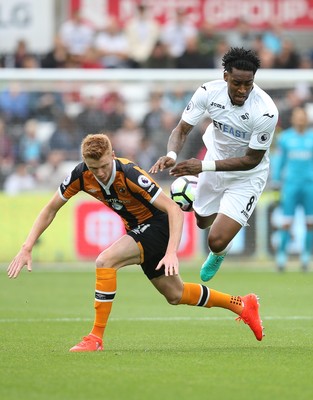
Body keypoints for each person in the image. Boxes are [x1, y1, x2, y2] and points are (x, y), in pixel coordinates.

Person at [7, 133, 264, 352]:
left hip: (159, 225)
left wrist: (172, 252)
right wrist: (27, 246)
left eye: (104, 166)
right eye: (93, 168)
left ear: (113, 155)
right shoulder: (80, 174)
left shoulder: (130, 173)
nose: (99, 173)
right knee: (176, 294)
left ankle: (95, 337)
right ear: (85, 162)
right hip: (139, 229)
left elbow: (174, 211)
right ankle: (242, 304)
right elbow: (51, 208)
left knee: (105, 261)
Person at [150, 47, 279, 282]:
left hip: (247, 176)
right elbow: (182, 129)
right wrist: (171, 153)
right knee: (201, 222)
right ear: (226, 76)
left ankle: (220, 251)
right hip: (213, 161)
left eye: (248, 84)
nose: (242, 90)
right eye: (237, 83)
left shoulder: (266, 111)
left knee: (216, 240)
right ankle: (222, 214)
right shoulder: (208, 92)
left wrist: (202, 167)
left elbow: (252, 160)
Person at [271, 107, 313, 271]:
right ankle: (281, 257)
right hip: (290, 185)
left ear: (306, 119)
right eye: (298, 117)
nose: (300, 120)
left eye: (303, 117)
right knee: (287, 222)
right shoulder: (285, 138)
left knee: (310, 223)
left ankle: (306, 256)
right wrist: (275, 181)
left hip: (309, 185)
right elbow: (279, 161)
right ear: (293, 119)